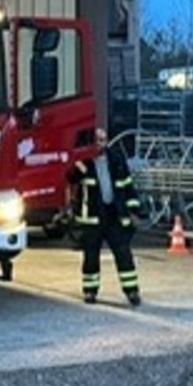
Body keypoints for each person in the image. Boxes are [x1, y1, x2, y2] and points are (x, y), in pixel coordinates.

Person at [66, 127, 143, 306]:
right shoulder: (83, 161)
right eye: (96, 140)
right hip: (92, 218)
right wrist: (81, 163)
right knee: (90, 257)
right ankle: (90, 291)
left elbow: (127, 186)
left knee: (124, 254)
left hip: (115, 215)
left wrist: (135, 211)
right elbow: (70, 178)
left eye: (102, 140)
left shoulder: (116, 159)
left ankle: (132, 291)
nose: (99, 144)